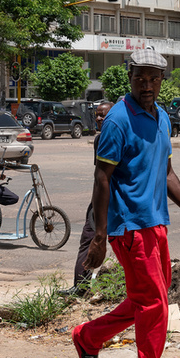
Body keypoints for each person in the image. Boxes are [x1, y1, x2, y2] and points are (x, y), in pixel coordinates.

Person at [71, 50, 180, 358]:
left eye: (154, 78)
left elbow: (166, 173)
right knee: (154, 302)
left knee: (145, 299)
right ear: (130, 75)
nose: (147, 85)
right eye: (141, 77)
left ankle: (88, 337)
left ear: (162, 80)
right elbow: (102, 177)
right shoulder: (118, 121)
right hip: (129, 226)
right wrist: (100, 237)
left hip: (156, 222)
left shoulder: (162, 117)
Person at [69, 100, 114, 292]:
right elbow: (100, 176)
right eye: (97, 114)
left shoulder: (115, 137)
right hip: (102, 198)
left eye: (103, 115)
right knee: (89, 240)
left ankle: (81, 287)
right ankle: (81, 286)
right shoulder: (99, 139)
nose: (98, 118)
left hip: (114, 199)